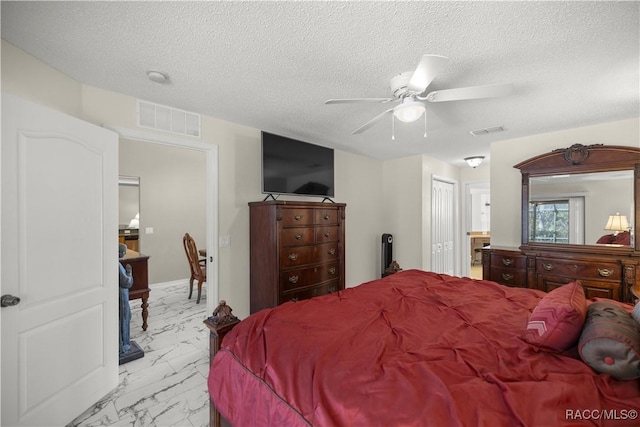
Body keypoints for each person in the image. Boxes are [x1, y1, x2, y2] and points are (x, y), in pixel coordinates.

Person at [119, 243, 133, 355]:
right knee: (124, 316)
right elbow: (127, 282)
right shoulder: (118, 265)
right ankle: (124, 344)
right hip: (122, 295)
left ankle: (124, 343)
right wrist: (129, 272)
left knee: (126, 316)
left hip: (121, 294)